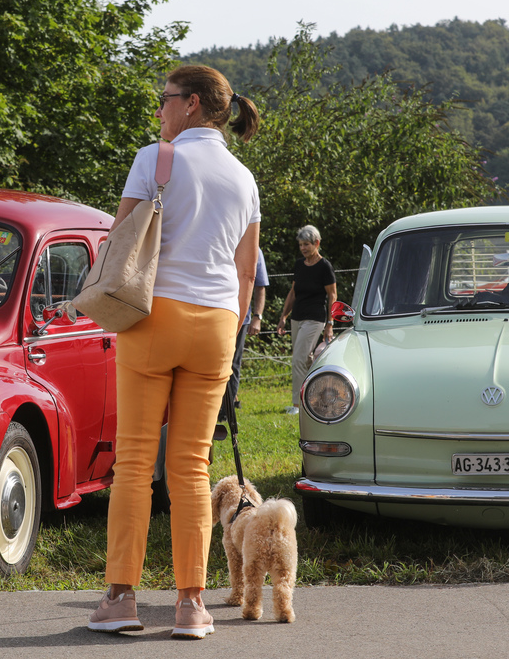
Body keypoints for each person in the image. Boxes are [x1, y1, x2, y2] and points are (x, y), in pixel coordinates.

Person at [87, 65, 261, 639]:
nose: (159, 108)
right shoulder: (244, 178)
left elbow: (120, 243)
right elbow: (244, 272)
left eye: (164, 98)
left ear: (189, 104)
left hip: (155, 315)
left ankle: (121, 599)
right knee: (192, 467)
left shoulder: (154, 159)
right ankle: (191, 606)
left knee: (135, 463)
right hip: (217, 325)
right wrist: (232, 335)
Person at [275, 226, 337, 414]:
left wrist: (330, 323)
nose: (303, 248)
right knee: (307, 361)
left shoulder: (324, 266)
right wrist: (283, 317)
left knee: (299, 360)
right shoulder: (299, 265)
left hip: (315, 318)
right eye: (301, 245)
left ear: (317, 243)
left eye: (307, 244)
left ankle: (298, 406)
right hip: (297, 318)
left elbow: (332, 295)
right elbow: (293, 292)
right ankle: (320, 396)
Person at [219, 248, 269, 419]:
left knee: (233, 363)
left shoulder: (254, 250)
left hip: (241, 317)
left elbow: (260, 285)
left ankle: (227, 410)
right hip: (215, 312)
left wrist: (257, 317)